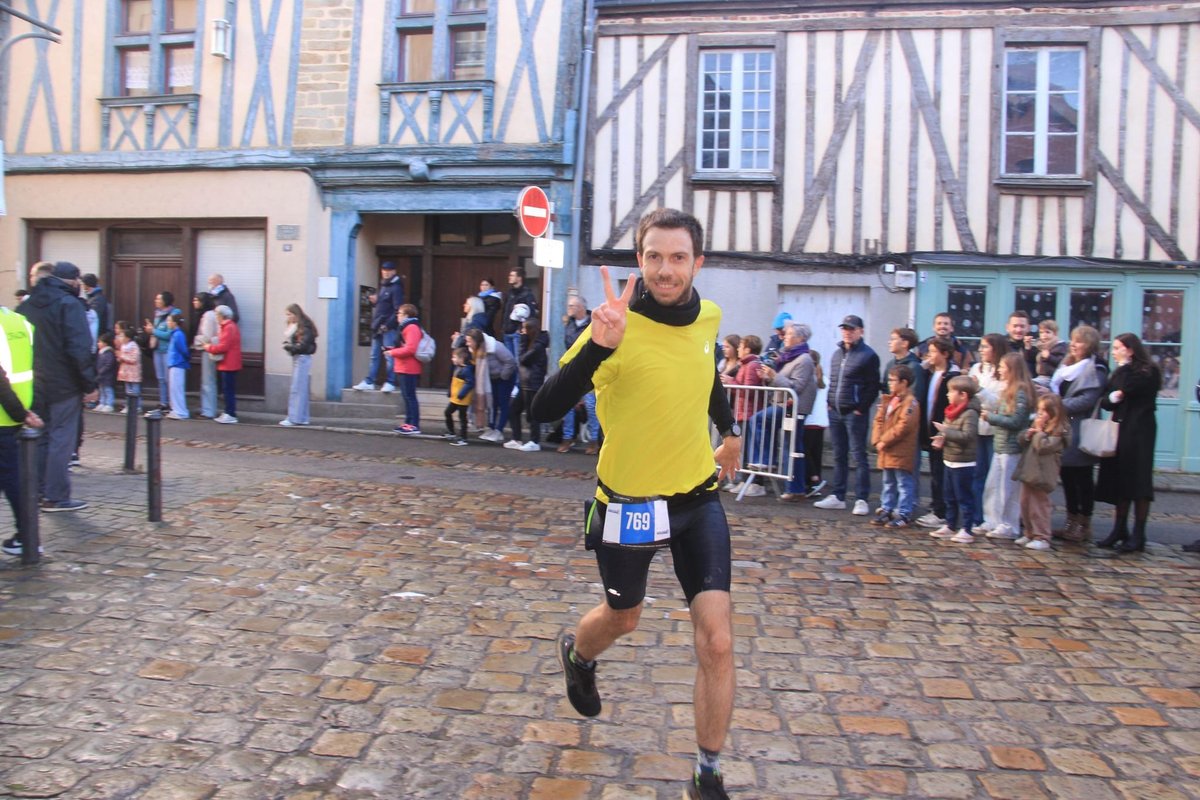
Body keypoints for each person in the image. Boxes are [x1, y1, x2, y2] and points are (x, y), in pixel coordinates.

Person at [530, 208, 741, 800]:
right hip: (629, 503)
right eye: (653, 257)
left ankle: (707, 774)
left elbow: (705, 374)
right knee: (624, 618)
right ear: (639, 261)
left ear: (698, 263)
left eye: (678, 257)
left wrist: (729, 430)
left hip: (697, 500)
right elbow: (542, 411)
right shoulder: (613, 324)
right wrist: (598, 347)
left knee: (717, 639)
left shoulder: (709, 317)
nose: (665, 269)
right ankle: (578, 654)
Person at [16, 262, 97, 512]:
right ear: (72, 281)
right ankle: (55, 496)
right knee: (62, 438)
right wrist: (89, 384)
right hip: (64, 384)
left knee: (39, 437)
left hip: (34, 382)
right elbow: (78, 349)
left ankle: (36, 492)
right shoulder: (69, 304)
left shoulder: (27, 305)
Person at [1091, 333, 1162, 556]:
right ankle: (1119, 528)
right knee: (1120, 478)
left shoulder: (1146, 371)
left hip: (1139, 429)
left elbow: (1130, 389)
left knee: (1138, 480)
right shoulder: (1121, 371)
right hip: (1119, 428)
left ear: (1130, 349)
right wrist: (1112, 397)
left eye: (1118, 347)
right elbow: (1107, 398)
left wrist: (1119, 390)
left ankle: (1139, 533)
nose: (1114, 351)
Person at [813, 314, 879, 515]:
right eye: (845, 329)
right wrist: (829, 404)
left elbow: (872, 386)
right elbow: (834, 382)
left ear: (861, 331)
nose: (847, 332)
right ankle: (838, 495)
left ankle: (861, 498)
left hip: (855, 413)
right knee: (839, 455)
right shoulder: (836, 354)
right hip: (836, 411)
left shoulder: (868, 356)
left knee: (859, 456)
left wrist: (861, 408)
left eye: (851, 329)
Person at [746, 322, 815, 501]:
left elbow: (796, 386)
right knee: (791, 446)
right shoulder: (789, 357)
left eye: (789, 334)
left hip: (794, 408)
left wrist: (774, 376)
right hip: (785, 405)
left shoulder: (804, 359)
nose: (784, 337)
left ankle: (766, 461)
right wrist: (768, 378)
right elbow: (781, 383)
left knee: (764, 424)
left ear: (800, 338)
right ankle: (794, 487)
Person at [1051, 326, 1107, 544]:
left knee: (1082, 477)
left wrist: (1055, 405)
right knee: (1066, 475)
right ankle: (1070, 519)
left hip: (1080, 427)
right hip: (1062, 426)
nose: (1074, 345)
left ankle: (1084, 523)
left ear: (1090, 345)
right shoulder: (1067, 364)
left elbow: (1087, 400)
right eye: (1073, 340)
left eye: (1080, 342)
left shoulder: (1096, 368)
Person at [0, 307, 45, 558]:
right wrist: (29, 408)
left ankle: (28, 537)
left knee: (13, 480)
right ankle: (28, 536)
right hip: (16, 410)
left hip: (8, 411)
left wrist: (20, 412)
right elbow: (36, 366)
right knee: (13, 479)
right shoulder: (18, 321)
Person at [979, 352, 1035, 541]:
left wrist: (991, 418)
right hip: (1001, 444)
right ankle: (992, 519)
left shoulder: (1020, 390)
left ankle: (1008, 524)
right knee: (993, 485)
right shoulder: (1008, 389)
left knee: (1007, 489)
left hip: (1011, 447)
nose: (1000, 370)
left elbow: (1017, 420)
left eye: (1003, 367)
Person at [1014, 394, 1070, 551]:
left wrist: (1038, 432)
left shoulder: (1059, 431)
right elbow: (1022, 441)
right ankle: (1029, 532)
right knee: (1025, 503)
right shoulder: (1038, 424)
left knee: (1039, 506)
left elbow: (1044, 447)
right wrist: (1028, 434)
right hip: (1029, 470)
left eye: (1044, 411)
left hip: (1044, 473)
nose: (1039, 414)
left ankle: (1042, 536)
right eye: (1039, 410)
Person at [915, 339, 961, 529]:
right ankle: (937, 505)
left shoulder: (952, 376)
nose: (930, 355)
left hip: (943, 432)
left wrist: (944, 430)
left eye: (933, 352)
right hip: (928, 428)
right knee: (935, 471)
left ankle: (942, 512)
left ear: (945, 354)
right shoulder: (929, 373)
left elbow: (952, 406)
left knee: (941, 474)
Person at [929, 375, 980, 543]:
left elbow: (968, 436)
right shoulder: (951, 411)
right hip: (949, 458)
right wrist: (940, 438)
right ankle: (950, 524)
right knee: (949, 495)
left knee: (963, 496)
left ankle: (967, 528)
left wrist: (946, 432)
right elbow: (948, 431)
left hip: (963, 461)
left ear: (963, 395)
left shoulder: (970, 413)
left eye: (951, 392)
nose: (947, 395)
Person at [870, 364, 920, 528]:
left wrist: (885, 440)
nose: (890, 383)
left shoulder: (910, 403)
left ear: (904, 382)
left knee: (903, 483)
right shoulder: (889, 400)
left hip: (900, 449)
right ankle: (887, 508)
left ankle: (904, 513)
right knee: (888, 481)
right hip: (887, 449)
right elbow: (878, 419)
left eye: (893, 380)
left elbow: (904, 426)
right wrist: (877, 439)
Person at [967, 333, 1007, 531]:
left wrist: (980, 390)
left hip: (994, 430)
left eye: (985, 347)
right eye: (980, 347)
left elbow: (999, 402)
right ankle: (977, 517)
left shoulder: (1004, 372)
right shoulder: (977, 368)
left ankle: (994, 517)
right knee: (977, 474)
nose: (981, 350)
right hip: (977, 428)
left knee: (994, 477)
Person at [459, 327, 517, 443]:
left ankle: (499, 430)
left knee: (502, 402)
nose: (467, 343)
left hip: (504, 377)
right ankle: (491, 427)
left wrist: (503, 376)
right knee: (492, 403)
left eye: (469, 341)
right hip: (491, 378)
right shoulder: (473, 350)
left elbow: (510, 361)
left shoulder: (495, 347)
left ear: (476, 341)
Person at [354, 261, 404, 392]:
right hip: (378, 327)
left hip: (387, 328)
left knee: (389, 356)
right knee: (374, 355)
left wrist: (388, 325)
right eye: (384, 270)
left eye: (388, 270)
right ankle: (370, 381)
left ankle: (390, 382)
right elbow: (384, 307)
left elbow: (397, 309)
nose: (386, 272)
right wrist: (376, 302)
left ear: (394, 272)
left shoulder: (396, 287)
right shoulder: (383, 286)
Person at [559, 294, 600, 454]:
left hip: (589, 369)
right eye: (569, 306)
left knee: (590, 405)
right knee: (568, 404)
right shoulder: (568, 324)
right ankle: (567, 438)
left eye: (572, 306)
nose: (569, 309)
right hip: (572, 369)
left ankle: (594, 441)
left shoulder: (593, 324)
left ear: (581, 308)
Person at [505, 315, 549, 452]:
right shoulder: (533, 344)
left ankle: (534, 441)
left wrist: (522, 341)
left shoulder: (537, 347)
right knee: (513, 410)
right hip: (525, 383)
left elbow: (523, 359)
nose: (521, 331)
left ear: (530, 330)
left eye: (524, 329)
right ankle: (516, 438)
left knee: (532, 414)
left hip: (532, 384)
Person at [385, 303, 424, 435]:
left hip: (409, 367)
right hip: (403, 366)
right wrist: (392, 350)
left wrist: (393, 353)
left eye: (400, 313)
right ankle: (408, 423)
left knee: (410, 396)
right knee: (406, 397)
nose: (398, 316)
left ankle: (414, 424)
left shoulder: (411, 327)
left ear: (406, 315)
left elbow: (411, 349)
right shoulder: (406, 327)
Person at [281, 303, 318, 426]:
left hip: (302, 357)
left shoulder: (304, 327)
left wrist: (290, 347)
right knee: (300, 389)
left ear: (296, 314)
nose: (288, 317)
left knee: (297, 389)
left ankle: (294, 418)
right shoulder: (298, 326)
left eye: (290, 314)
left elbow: (303, 345)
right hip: (300, 357)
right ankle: (302, 417)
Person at [205, 305, 242, 424]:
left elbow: (223, 346)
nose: (216, 317)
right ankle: (228, 412)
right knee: (227, 389)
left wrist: (209, 347)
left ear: (222, 315)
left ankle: (230, 413)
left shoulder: (228, 327)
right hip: (227, 362)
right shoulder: (227, 326)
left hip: (229, 363)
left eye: (217, 314)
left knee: (228, 390)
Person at [802, 350, 828, 498]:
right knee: (816, 452)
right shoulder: (823, 378)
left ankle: (812, 479)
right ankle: (816, 477)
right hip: (821, 420)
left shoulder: (809, 379)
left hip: (810, 419)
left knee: (806, 451)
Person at [144, 291, 176, 409]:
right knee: (160, 377)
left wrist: (153, 331)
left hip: (168, 349)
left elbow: (168, 334)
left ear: (165, 301)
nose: (156, 301)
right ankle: (163, 402)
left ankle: (172, 403)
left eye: (158, 299)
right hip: (157, 348)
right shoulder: (157, 314)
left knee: (169, 378)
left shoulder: (174, 313)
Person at [191, 293, 220, 419]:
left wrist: (196, 341)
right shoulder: (211, 314)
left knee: (207, 381)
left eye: (197, 300)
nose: (194, 302)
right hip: (210, 349)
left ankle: (208, 410)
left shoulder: (208, 315)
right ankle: (207, 408)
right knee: (209, 380)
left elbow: (206, 337)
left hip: (208, 350)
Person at [501, 268, 538, 360]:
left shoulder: (527, 294)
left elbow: (531, 314)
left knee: (518, 361)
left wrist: (521, 329)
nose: (509, 277)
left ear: (519, 278)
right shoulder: (509, 293)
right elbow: (505, 311)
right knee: (509, 361)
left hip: (517, 333)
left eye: (512, 275)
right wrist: (503, 327)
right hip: (507, 331)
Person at [443, 347, 475, 446]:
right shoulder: (458, 368)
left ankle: (463, 438)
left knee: (462, 417)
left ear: (461, 359)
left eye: (455, 357)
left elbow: (470, 383)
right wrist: (450, 392)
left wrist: (462, 394)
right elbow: (453, 383)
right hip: (456, 398)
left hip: (462, 399)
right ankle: (452, 432)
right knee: (448, 412)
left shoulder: (466, 370)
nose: (453, 359)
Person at [165, 309, 191, 420]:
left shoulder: (178, 335)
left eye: (169, 321)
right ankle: (176, 409)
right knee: (174, 389)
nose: (167, 323)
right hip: (174, 363)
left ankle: (180, 411)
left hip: (178, 364)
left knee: (177, 389)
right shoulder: (175, 334)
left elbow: (183, 350)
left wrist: (185, 358)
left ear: (174, 323)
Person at [114, 321, 142, 412]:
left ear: (128, 338)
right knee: (127, 390)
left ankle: (137, 406)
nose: (121, 338)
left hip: (133, 372)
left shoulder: (134, 346)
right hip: (126, 371)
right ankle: (129, 405)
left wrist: (121, 356)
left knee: (134, 390)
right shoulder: (123, 346)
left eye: (122, 336)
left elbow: (134, 359)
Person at [1033, 318, 1068, 386]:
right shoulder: (1041, 346)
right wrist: (1027, 348)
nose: (1044, 335)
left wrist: (1049, 357)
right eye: (1041, 332)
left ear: (1055, 333)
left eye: (1047, 332)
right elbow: (1032, 358)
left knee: (1029, 384)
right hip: (1040, 376)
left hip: (1051, 378)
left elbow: (1061, 362)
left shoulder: (1060, 346)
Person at [1005, 310, 1039, 374]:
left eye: (1022, 326)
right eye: (1015, 326)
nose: (1018, 330)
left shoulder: (1036, 347)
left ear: (1029, 328)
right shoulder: (1000, 345)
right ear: (1007, 327)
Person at [94, 332, 117, 413]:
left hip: (108, 376)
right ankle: (102, 402)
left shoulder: (109, 353)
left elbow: (109, 364)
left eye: (100, 342)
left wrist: (102, 370)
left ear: (105, 343)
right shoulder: (101, 352)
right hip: (101, 375)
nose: (98, 344)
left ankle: (109, 404)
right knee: (102, 389)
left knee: (108, 390)